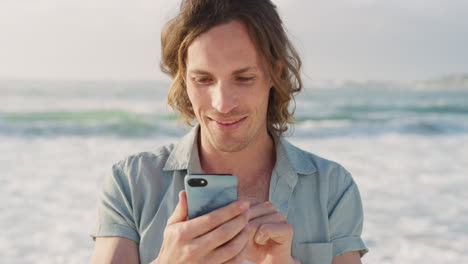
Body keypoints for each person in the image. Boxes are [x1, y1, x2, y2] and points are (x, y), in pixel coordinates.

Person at [90, 0, 369, 263]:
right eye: (203, 79)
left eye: (243, 78)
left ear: (274, 73)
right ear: (183, 78)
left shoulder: (331, 188)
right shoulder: (131, 184)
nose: (222, 104)